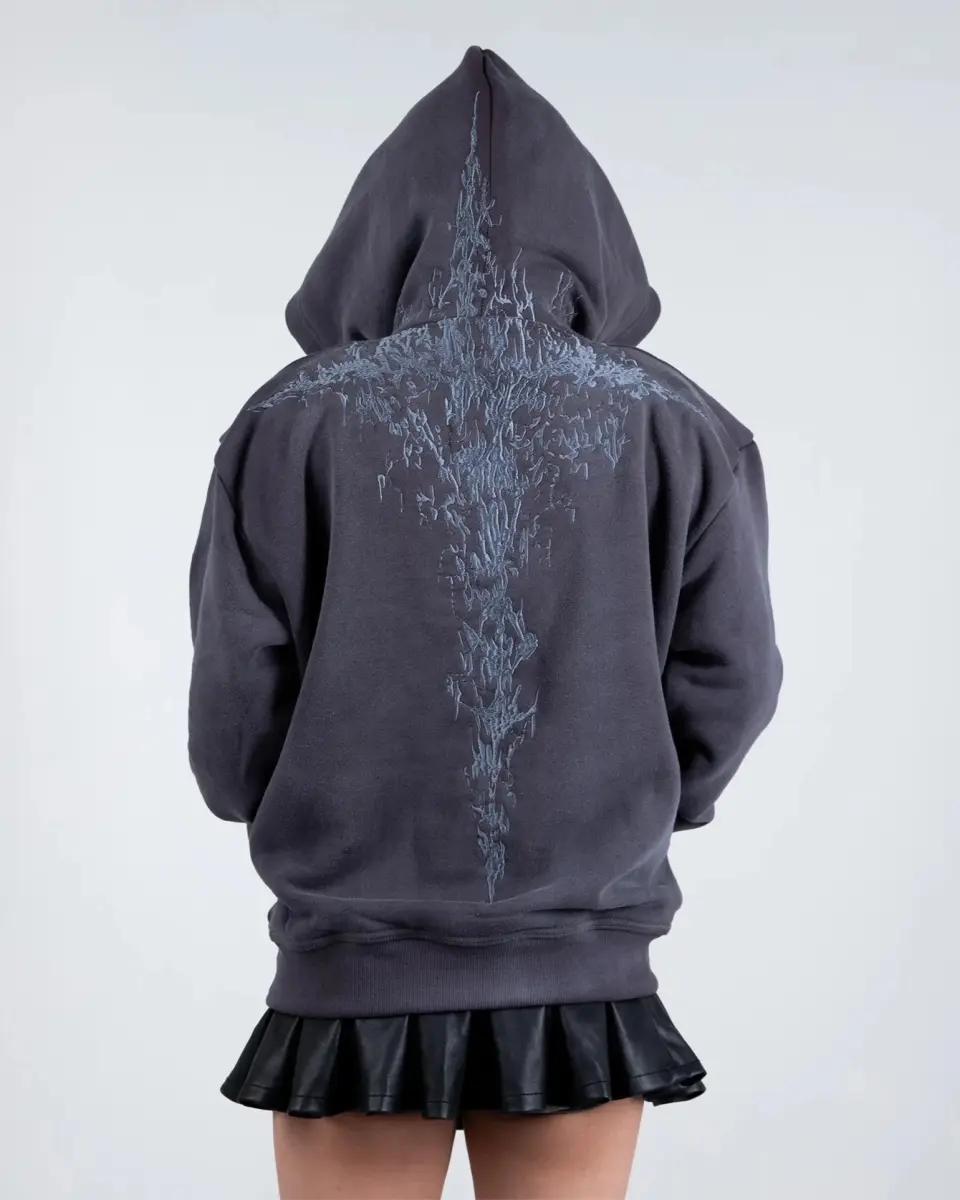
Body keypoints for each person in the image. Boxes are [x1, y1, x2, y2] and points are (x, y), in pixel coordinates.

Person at [188, 45, 782, 1200]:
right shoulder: (682, 428)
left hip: (352, 970)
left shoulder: (285, 426)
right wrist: (642, 805)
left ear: (374, 233)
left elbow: (231, 719)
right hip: (580, 972)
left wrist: (309, 812)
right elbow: (733, 680)